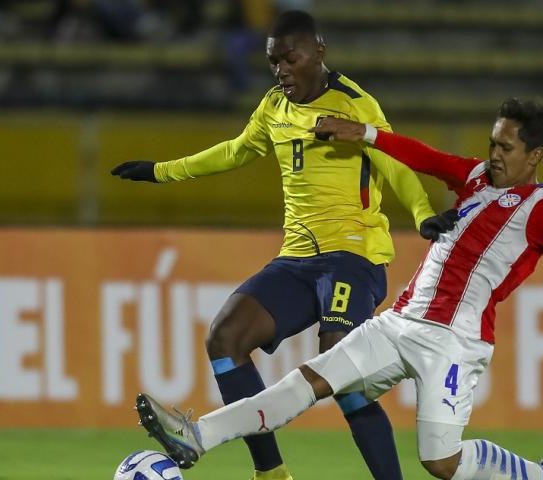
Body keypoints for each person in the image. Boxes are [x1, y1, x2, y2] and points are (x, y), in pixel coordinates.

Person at [132, 98, 543, 480]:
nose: (493, 154)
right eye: (492, 143)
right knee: (303, 383)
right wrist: (366, 134)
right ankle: (195, 437)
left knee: (440, 461)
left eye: (505, 147)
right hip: (399, 322)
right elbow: (421, 156)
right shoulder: (473, 178)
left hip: (455, 342)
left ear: (534, 156)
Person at [112, 10, 452, 480]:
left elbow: (394, 162)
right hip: (296, 261)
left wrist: (422, 215)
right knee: (224, 338)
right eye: (274, 61)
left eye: (290, 58)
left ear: (318, 51)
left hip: (353, 258)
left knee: (345, 375)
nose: (281, 70)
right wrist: (161, 170)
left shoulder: (355, 104)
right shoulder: (274, 106)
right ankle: (271, 474)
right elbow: (235, 150)